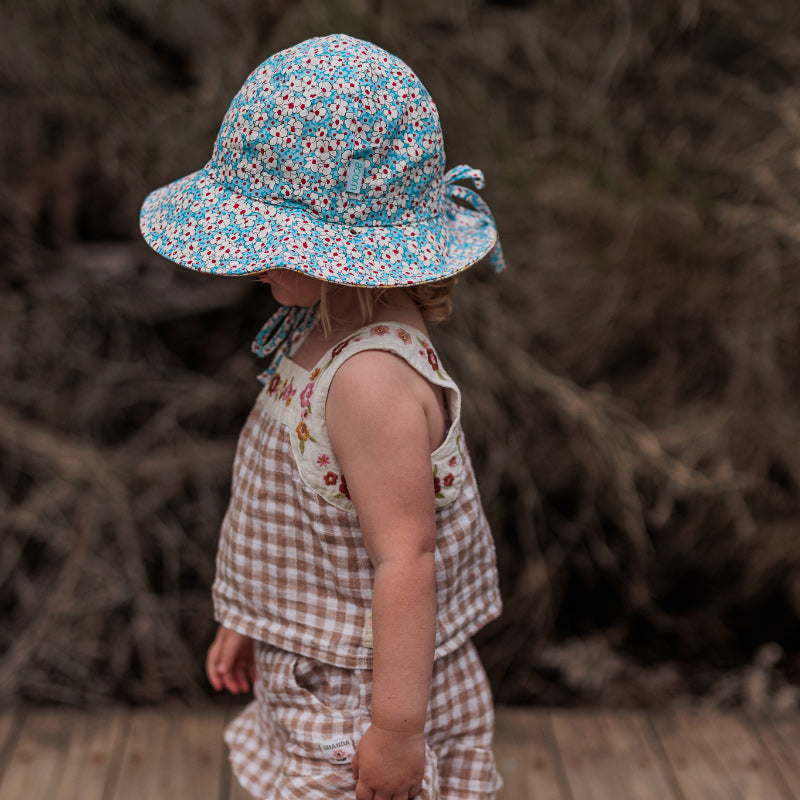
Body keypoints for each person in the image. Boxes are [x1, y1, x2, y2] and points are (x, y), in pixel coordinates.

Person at [140, 33, 505, 800]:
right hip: (321, 663)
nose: (249, 256)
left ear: (340, 248)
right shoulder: (327, 331)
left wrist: (399, 729)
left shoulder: (370, 380)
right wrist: (258, 614)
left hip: (362, 694)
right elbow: (316, 528)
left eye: (267, 235)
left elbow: (405, 559)